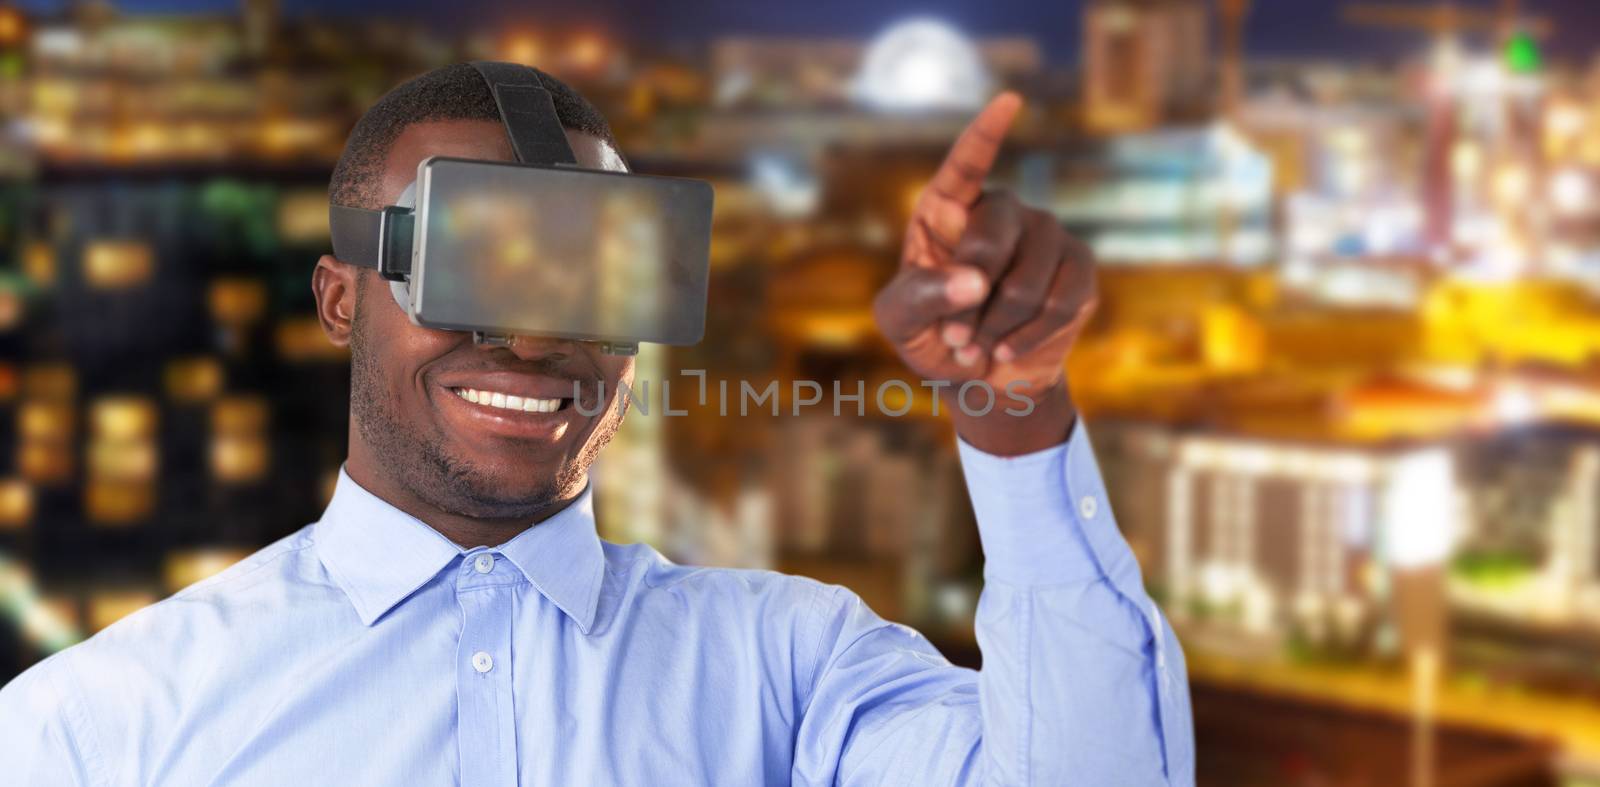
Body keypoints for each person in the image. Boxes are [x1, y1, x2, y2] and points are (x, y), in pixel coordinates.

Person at [0, 63, 1193, 786]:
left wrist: (1016, 405)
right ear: (339, 297)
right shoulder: (100, 724)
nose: (529, 341)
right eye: (472, 265)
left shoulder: (794, 670)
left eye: (592, 280)